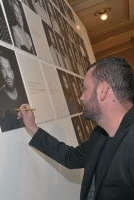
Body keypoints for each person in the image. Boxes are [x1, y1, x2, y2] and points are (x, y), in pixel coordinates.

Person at [17, 57, 134, 199]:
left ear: (102, 90)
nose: (81, 98)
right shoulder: (99, 135)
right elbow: (70, 157)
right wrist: (33, 128)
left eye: (85, 89)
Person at [0, 51, 26, 132]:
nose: (7, 75)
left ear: (13, 73)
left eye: (8, 69)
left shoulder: (22, 95)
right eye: (3, 69)